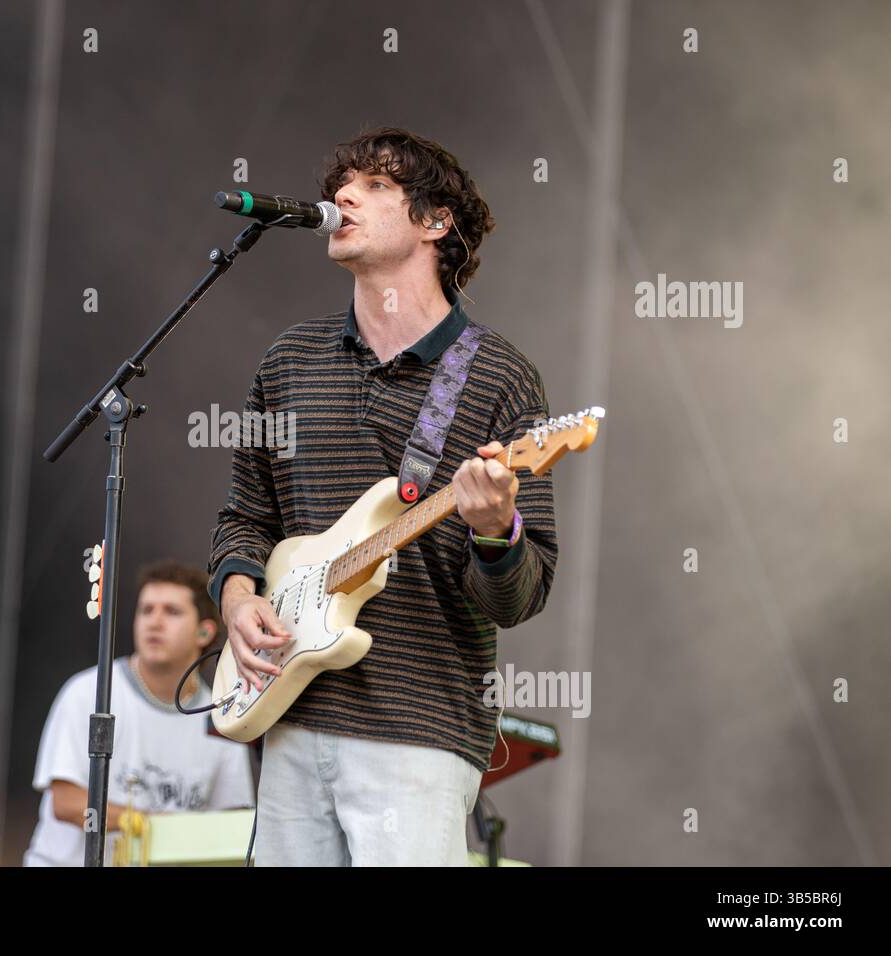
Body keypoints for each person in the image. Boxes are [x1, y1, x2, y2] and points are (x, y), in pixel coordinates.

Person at [208, 126, 558, 866]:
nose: (342, 196)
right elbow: (245, 517)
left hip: (419, 733)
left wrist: (496, 530)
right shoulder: (290, 360)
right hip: (291, 720)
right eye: (344, 183)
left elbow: (519, 600)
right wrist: (238, 600)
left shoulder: (500, 377)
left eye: (375, 186)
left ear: (435, 223)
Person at [24, 560, 254, 866]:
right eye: (146, 610)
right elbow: (65, 802)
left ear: (204, 632)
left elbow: (231, 823)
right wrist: (143, 822)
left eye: (171, 612)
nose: (154, 622)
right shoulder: (89, 691)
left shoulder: (222, 717)